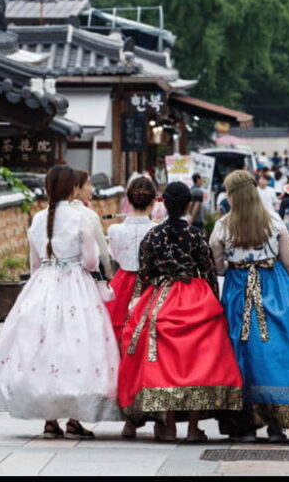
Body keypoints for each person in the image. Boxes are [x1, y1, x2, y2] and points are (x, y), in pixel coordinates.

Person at [0, 165, 120, 439]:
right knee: (77, 348)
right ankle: (74, 417)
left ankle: (50, 420)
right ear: (73, 189)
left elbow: (35, 263)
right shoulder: (79, 219)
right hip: (76, 285)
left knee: (46, 348)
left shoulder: (38, 219)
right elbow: (90, 261)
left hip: (43, 285)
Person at [210, 170, 289, 442]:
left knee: (241, 352)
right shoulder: (273, 222)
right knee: (277, 352)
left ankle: (245, 426)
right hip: (276, 289)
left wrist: (233, 265)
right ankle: (277, 424)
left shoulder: (223, 226)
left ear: (231, 196)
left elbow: (216, 265)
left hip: (238, 292)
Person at [117, 181, 243, 442]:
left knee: (163, 361)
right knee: (198, 361)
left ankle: (169, 425)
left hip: (161, 297)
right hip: (194, 297)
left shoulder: (153, 236)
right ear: (188, 205)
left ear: (163, 202)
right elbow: (208, 272)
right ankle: (194, 428)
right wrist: (214, 303)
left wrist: (141, 301)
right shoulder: (196, 235)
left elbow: (145, 273)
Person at [106, 177, 157, 345]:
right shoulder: (158, 230)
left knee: (118, 331)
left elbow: (114, 255)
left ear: (128, 200)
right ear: (153, 202)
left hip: (121, 283)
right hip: (151, 284)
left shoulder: (114, 230)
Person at [71, 170, 113, 280]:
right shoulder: (89, 215)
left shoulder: (51, 214)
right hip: (87, 275)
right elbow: (102, 249)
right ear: (77, 189)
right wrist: (109, 272)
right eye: (88, 184)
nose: (92, 188)